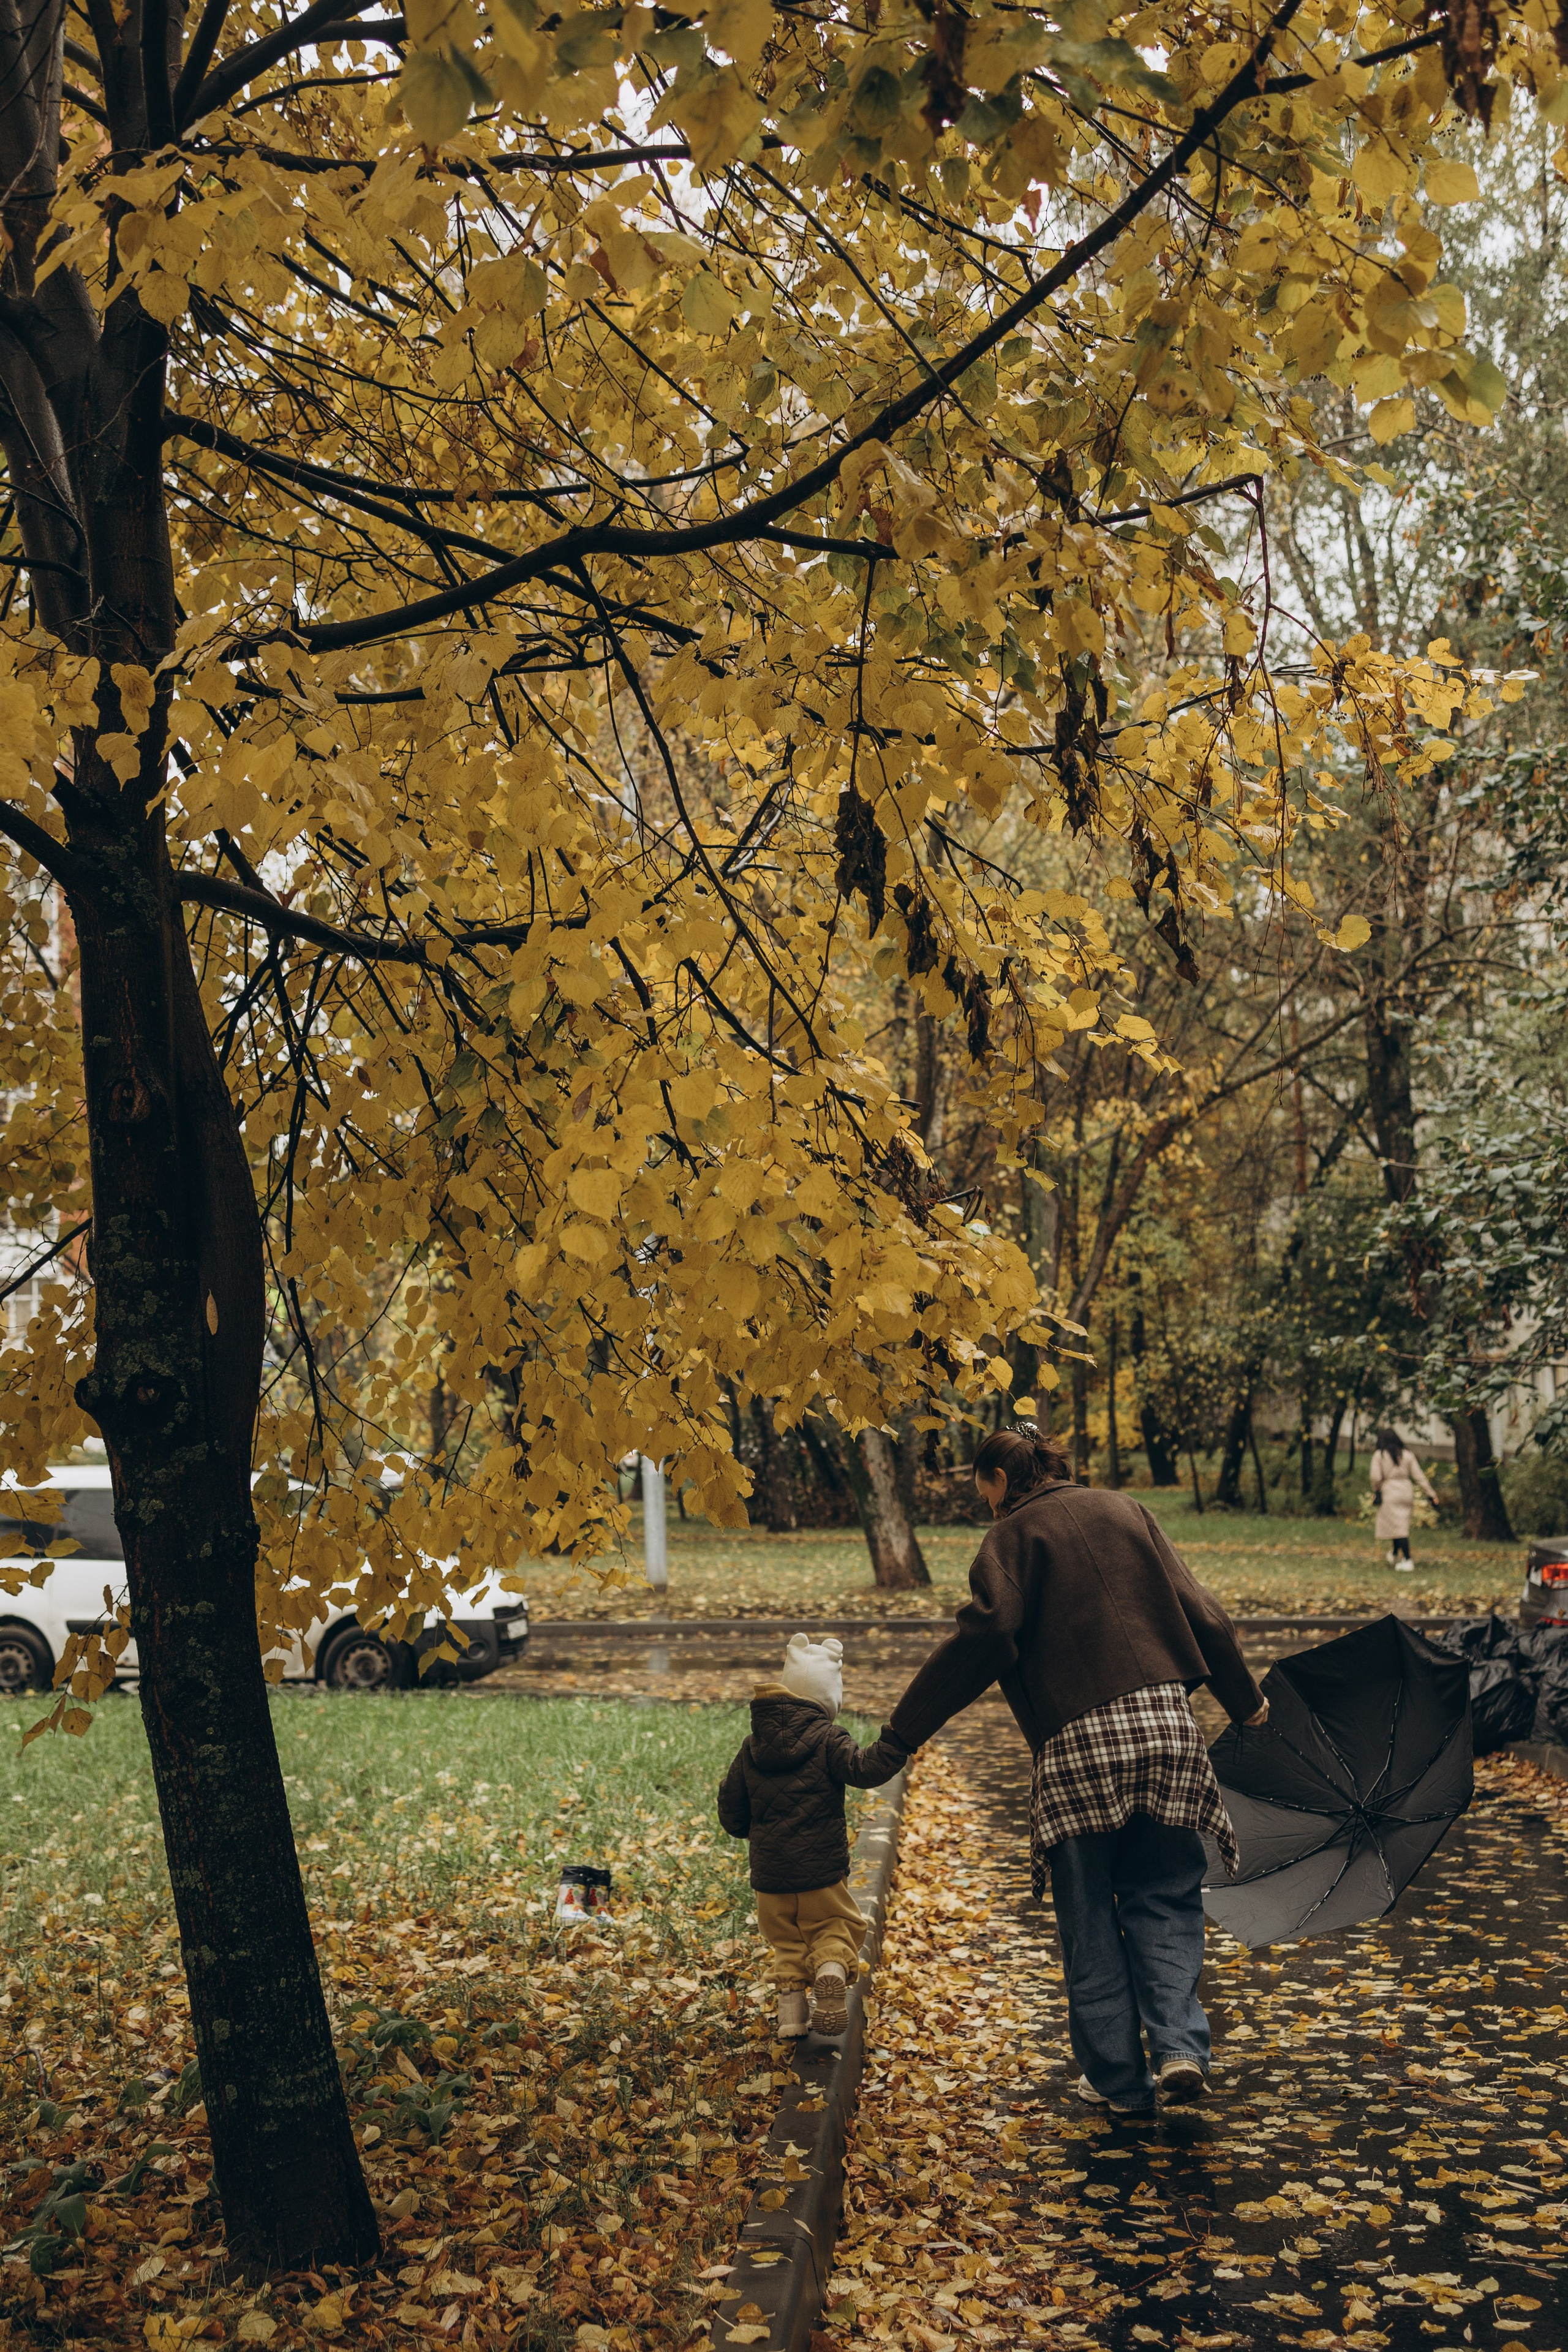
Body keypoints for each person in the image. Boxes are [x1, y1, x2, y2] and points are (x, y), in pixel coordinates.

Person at [886, 1422, 1268, 2118]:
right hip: (1166, 1730)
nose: (985, 1506)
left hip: (1079, 1746)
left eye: (983, 1491)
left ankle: (1119, 2083)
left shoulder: (1008, 1540)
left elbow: (986, 1639)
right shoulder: (1127, 1511)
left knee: (1089, 1915)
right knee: (1165, 1895)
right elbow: (1206, 1615)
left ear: (999, 1480)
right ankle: (1181, 2047)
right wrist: (1246, 1705)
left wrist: (897, 1737)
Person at [717, 1634, 911, 2040]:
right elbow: (864, 1770)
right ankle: (830, 1971)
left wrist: (751, 1832)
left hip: (770, 1877)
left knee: (787, 1943)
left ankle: (792, 2019)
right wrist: (896, 1744)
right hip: (821, 1869)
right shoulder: (829, 1738)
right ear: (827, 1700)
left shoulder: (751, 1747)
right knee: (835, 1926)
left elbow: (732, 1810)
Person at [1369, 1428, 1437, 1571]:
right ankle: (1394, 1554)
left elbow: (1375, 1477)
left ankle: (1408, 1559)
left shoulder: (1380, 1455)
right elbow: (1419, 1477)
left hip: (1389, 1491)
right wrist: (1431, 1494)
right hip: (1406, 1491)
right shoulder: (1407, 1455)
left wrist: (1377, 1490)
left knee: (1399, 1527)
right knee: (1399, 1524)